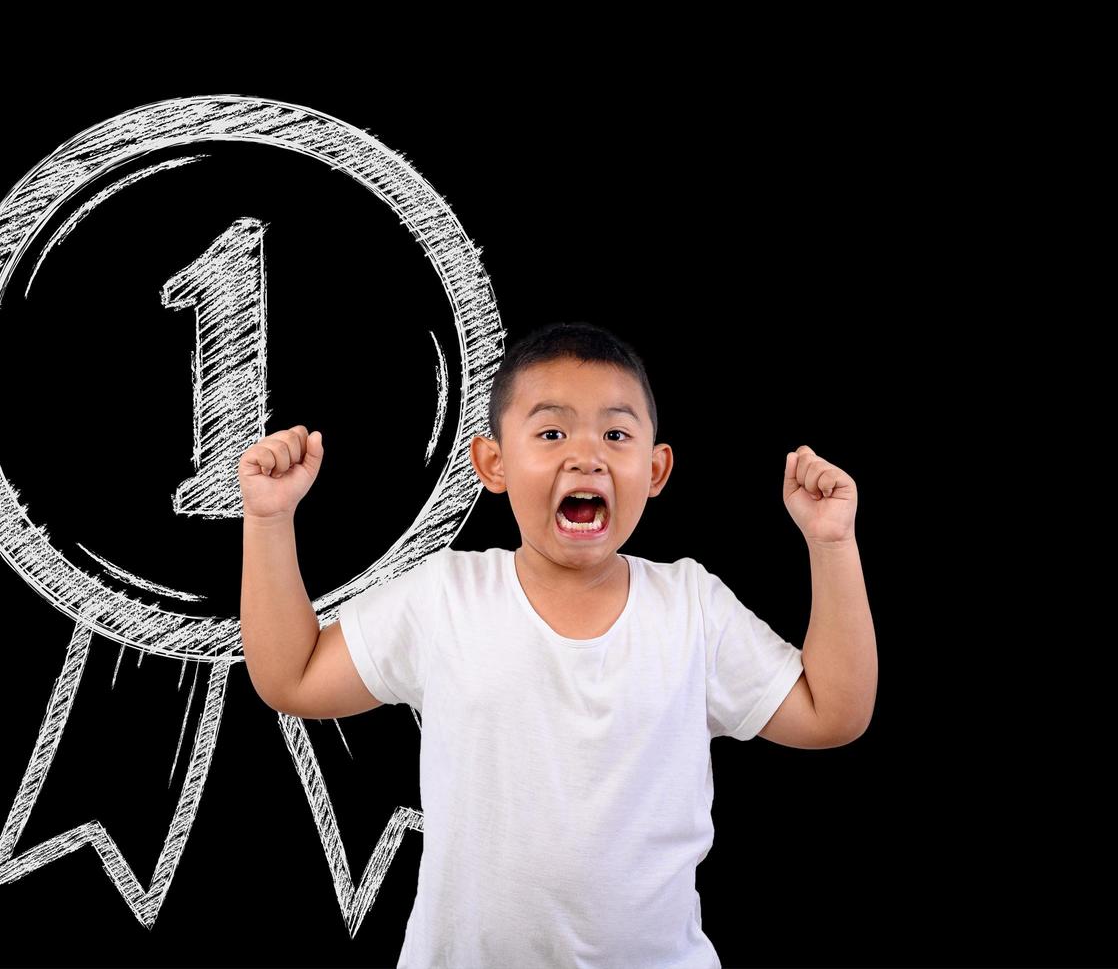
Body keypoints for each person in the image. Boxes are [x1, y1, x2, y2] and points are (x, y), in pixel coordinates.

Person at [238, 321, 877, 968]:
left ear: (655, 470)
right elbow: (292, 678)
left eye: (616, 434)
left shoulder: (692, 608)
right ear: (493, 463)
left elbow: (833, 713)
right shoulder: (446, 597)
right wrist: (267, 521)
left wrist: (830, 545)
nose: (586, 455)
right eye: (551, 432)